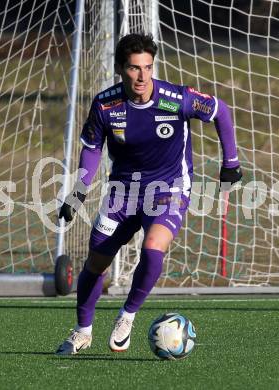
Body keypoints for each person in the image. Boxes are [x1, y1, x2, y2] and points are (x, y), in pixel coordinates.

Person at [56, 33, 242, 355]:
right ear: (120, 69)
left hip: (168, 188)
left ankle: (127, 315)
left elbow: (220, 111)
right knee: (96, 262)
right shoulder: (105, 104)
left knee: (153, 247)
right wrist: (78, 193)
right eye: (134, 68)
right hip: (123, 191)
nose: (142, 76)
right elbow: (91, 152)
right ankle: (83, 331)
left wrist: (232, 164)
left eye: (148, 67)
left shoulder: (177, 98)